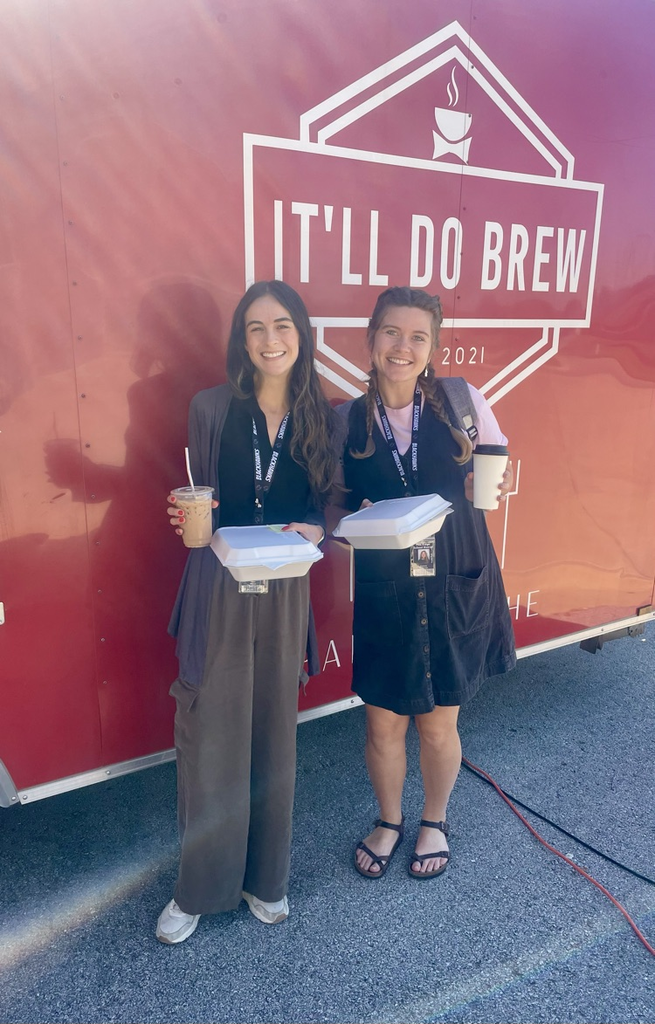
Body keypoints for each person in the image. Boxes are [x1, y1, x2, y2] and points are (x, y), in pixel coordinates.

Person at [157, 280, 340, 943]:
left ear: (302, 334)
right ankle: (199, 890)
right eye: (255, 327)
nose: (270, 339)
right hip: (217, 586)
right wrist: (184, 516)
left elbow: (338, 506)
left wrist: (319, 530)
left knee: (274, 737)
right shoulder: (209, 408)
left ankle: (266, 879)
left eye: (282, 325)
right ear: (240, 339)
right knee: (210, 739)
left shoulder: (325, 413)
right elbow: (193, 499)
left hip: (287, 586)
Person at [334, 286, 516, 880]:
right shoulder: (346, 422)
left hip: (454, 579)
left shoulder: (462, 403)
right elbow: (331, 508)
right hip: (388, 586)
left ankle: (433, 820)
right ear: (371, 339)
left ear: (433, 347)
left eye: (417, 337)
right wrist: (348, 522)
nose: (402, 347)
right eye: (391, 332)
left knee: (440, 720)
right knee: (382, 720)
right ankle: (389, 820)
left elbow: (497, 468)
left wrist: (491, 488)